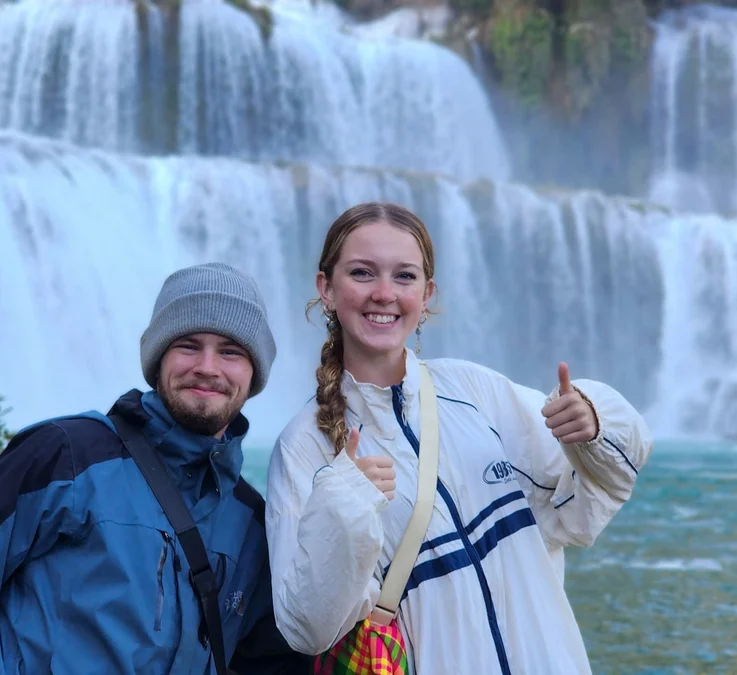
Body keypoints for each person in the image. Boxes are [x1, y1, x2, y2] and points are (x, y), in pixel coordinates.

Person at [265, 202, 654, 674]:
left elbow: (580, 511)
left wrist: (594, 423)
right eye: (362, 273)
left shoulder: (475, 391)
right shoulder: (303, 448)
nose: (384, 294)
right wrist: (341, 509)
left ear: (427, 293)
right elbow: (307, 628)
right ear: (326, 288)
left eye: (404, 277)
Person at [0, 262, 313, 675]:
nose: (207, 366)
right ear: (158, 357)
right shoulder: (65, 457)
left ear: (254, 372)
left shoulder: (252, 521)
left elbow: (273, 661)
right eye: (188, 345)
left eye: (230, 351)